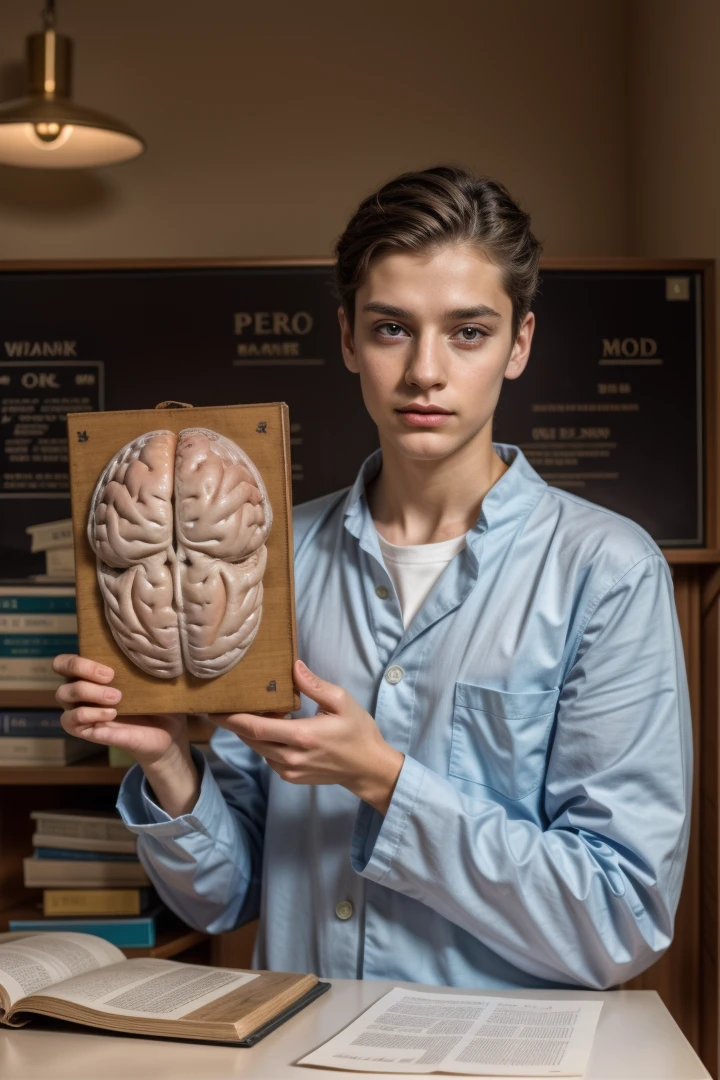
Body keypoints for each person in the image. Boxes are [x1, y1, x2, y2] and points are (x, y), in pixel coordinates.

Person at [53, 166, 692, 991]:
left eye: (468, 332)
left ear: (519, 344)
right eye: (394, 328)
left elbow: (619, 919)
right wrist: (170, 764)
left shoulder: (606, 572)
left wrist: (384, 781)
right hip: (297, 1050)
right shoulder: (276, 556)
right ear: (349, 337)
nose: (426, 371)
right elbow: (225, 897)